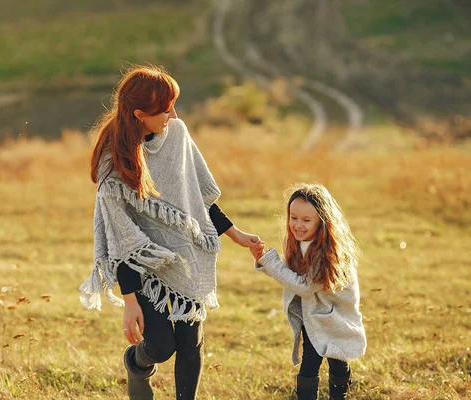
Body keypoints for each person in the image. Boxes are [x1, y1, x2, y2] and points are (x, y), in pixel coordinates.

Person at [79, 65, 264, 400]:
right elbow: (122, 240)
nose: (173, 115)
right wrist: (130, 301)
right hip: (144, 269)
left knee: (190, 343)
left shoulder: (176, 135)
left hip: (185, 256)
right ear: (140, 115)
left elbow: (195, 199)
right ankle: (136, 365)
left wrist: (235, 233)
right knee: (162, 346)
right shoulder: (113, 164)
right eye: (165, 110)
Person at [250, 183, 366, 400]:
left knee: (338, 363)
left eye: (306, 220)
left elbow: (303, 286)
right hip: (313, 318)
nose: (298, 225)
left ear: (322, 222)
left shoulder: (326, 252)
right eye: (293, 218)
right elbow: (290, 276)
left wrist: (271, 263)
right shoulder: (300, 243)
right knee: (309, 367)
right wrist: (263, 261)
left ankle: (339, 396)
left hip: (335, 318)